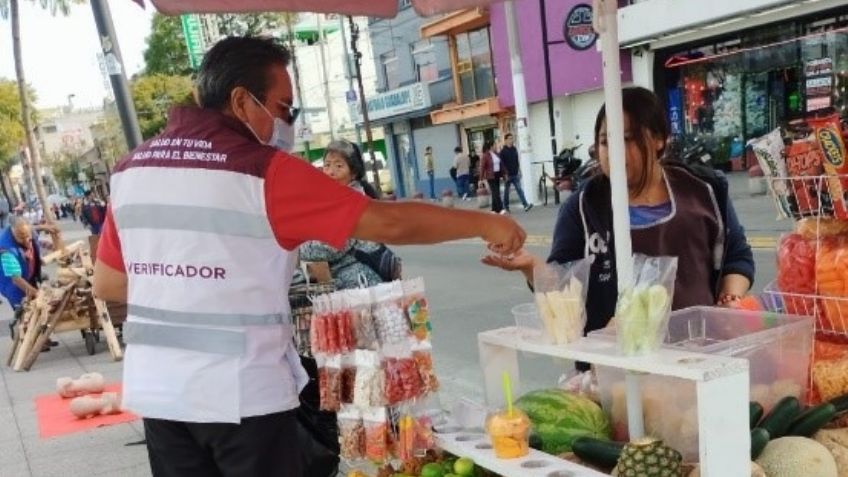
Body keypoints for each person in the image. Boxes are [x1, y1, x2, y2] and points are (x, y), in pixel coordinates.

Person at [91, 36, 525, 477]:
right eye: (283, 108)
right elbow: (388, 222)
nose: (287, 123)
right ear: (241, 101)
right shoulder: (262, 171)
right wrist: (486, 223)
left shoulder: (131, 170)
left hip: (159, 394)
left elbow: (108, 283)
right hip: (244, 395)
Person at [484, 87, 754, 337]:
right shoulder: (583, 207)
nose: (614, 151)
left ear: (659, 139)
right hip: (613, 361)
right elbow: (564, 287)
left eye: (628, 139)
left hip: (701, 350)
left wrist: (729, 299)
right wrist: (531, 266)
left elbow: (736, 256)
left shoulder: (704, 190)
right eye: (605, 141)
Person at [293, 139, 384, 289]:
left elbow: (331, 246)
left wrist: (296, 247)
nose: (330, 172)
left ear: (353, 173)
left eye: (339, 166)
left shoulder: (354, 202)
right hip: (341, 282)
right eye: (327, 165)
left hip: (360, 284)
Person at [1, 217, 57, 349]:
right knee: (26, 311)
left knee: (39, 308)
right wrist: (36, 293)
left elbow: (35, 237)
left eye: (28, 236)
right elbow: (16, 279)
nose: (26, 240)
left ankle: (42, 338)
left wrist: (48, 238)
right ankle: (31, 342)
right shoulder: (6, 249)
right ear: (13, 232)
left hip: (29, 274)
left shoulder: (28, 231)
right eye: (21, 238)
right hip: (13, 283)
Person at [499, 133, 533, 213]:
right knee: (506, 192)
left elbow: (516, 160)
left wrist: (519, 170)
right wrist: (505, 174)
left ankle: (525, 205)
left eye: (512, 138)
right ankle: (506, 207)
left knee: (519, 190)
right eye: (510, 138)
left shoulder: (514, 149)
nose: (511, 140)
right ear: (506, 140)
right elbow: (502, 164)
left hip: (515, 173)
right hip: (507, 175)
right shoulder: (503, 151)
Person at [479, 140, 504, 214]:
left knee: (495, 192)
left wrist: (504, 173)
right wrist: (480, 179)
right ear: (491, 146)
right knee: (496, 192)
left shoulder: (496, 154)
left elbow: (501, 164)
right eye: (495, 145)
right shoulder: (486, 155)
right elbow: (482, 167)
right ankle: (500, 208)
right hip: (490, 176)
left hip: (497, 175)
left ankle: (494, 209)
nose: (496, 146)